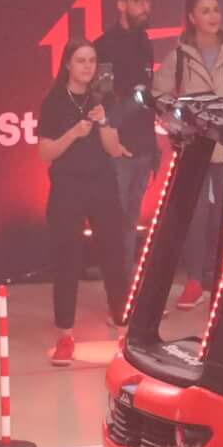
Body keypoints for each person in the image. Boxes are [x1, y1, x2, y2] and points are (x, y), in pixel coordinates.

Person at [36, 39, 138, 367]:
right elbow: (44, 153)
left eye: (91, 61)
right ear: (67, 64)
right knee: (67, 260)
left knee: (114, 256)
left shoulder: (103, 98)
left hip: (102, 186)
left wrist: (104, 122)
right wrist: (73, 133)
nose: (87, 67)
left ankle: (125, 331)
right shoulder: (54, 101)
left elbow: (111, 148)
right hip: (67, 188)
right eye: (80, 60)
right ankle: (65, 335)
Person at [160, 0, 223, 307]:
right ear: (191, 17)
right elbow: (159, 96)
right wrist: (178, 122)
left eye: (216, 9)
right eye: (205, 10)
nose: (213, 16)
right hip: (195, 148)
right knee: (194, 217)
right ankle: (195, 282)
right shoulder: (180, 56)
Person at [99, 0, 161, 231]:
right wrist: (110, 137)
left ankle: (124, 271)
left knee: (132, 220)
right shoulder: (104, 45)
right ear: (121, 5)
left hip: (144, 144)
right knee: (115, 219)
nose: (144, 8)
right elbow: (102, 96)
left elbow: (146, 93)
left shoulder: (146, 43)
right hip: (119, 148)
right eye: (137, 1)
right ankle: (116, 271)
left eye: (148, 2)